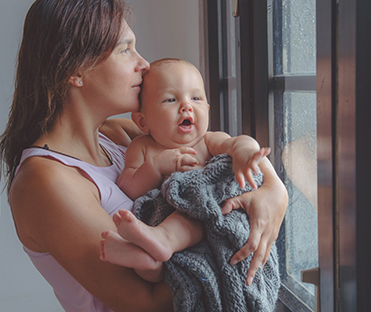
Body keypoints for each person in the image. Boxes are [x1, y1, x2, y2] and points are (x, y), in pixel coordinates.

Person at [0, 0, 288, 312]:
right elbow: (152, 309)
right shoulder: (45, 179)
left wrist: (274, 194)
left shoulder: (118, 138)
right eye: (127, 49)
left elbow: (212, 158)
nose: (144, 63)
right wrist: (213, 229)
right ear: (76, 70)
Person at [100, 58, 270, 286]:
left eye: (196, 98)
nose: (187, 106)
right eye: (171, 99)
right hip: (159, 223)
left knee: (196, 208)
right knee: (151, 270)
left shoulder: (208, 141)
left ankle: (161, 242)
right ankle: (145, 261)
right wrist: (156, 166)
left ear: (207, 109)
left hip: (203, 221)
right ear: (143, 121)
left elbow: (237, 143)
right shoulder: (142, 147)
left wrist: (246, 153)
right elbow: (128, 188)